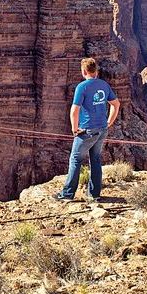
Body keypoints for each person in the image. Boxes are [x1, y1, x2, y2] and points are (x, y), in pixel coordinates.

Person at [52, 57, 120, 202]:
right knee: (95, 159)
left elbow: (74, 111)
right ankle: (94, 194)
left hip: (87, 130)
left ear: (84, 71)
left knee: (76, 159)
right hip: (102, 129)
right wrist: (109, 122)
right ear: (96, 71)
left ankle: (67, 194)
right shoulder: (104, 85)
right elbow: (116, 104)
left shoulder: (82, 87)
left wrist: (74, 129)